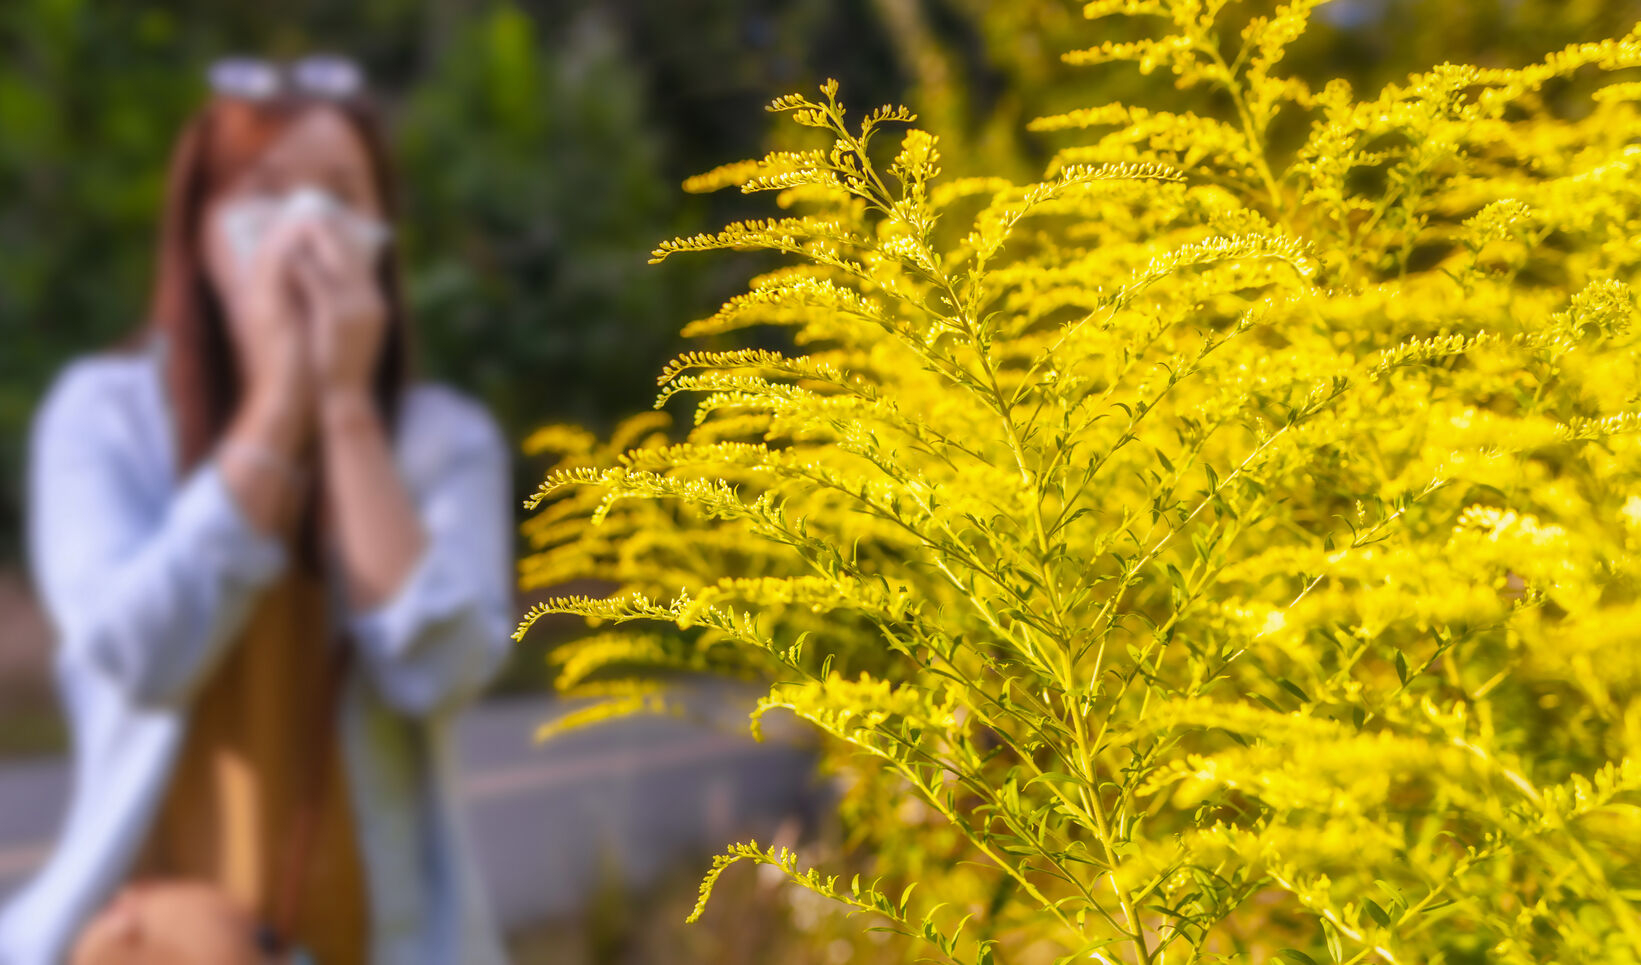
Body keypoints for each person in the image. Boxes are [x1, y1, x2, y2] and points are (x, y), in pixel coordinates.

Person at [0, 55, 513, 964]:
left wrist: (347, 409)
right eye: (269, 193)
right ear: (201, 230)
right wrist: (276, 404)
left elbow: (443, 671)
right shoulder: (102, 417)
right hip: (153, 938)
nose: (308, 225)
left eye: (341, 194)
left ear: (382, 233)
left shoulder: (445, 439)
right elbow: (138, 655)